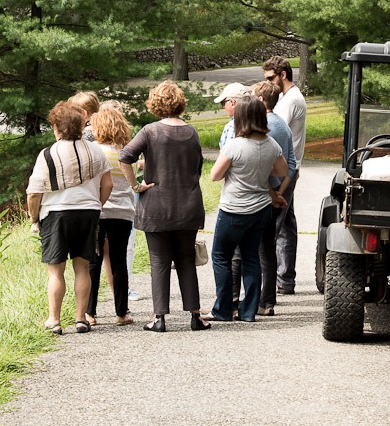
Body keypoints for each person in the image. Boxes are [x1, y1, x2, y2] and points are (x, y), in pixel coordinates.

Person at [122, 81, 208, 332]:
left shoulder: (150, 131)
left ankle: (159, 318)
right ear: (180, 103)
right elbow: (198, 167)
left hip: (157, 205)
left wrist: (136, 186)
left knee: (159, 260)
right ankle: (195, 315)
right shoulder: (192, 132)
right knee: (185, 259)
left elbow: (125, 156)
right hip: (188, 204)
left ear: (155, 104)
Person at [25, 100, 113, 333]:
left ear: (56, 127)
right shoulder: (95, 150)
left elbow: (34, 192)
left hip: (55, 214)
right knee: (82, 267)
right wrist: (97, 205)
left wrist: (34, 218)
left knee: (56, 270)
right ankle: (81, 318)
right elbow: (108, 184)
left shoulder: (47, 154)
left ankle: (54, 320)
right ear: (81, 125)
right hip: (88, 213)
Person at [209, 95, 287, 322]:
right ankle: (249, 311)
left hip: (233, 209)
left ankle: (223, 310)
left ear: (240, 118)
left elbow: (214, 175)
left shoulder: (235, 145)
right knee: (251, 258)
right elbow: (281, 171)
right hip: (261, 208)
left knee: (221, 257)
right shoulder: (271, 144)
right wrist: (261, 171)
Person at [250, 79, 298, 313]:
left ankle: (248, 299)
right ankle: (267, 301)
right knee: (268, 246)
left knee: (251, 249)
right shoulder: (283, 125)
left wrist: (271, 191)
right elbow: (291, 163)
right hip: (276, 191)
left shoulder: (264, 125)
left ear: (260, 100)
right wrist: (281, 190)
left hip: (260, 193)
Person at [88, 103, 138, 325]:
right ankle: (121, 312)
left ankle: (90, 312)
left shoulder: (94, 152)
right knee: (118, 262)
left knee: (93, 262)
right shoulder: (126, 154)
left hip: (97, 211)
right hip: (122, 212)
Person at [262, 56, 307, 297]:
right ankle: (285, 279)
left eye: (271, 78)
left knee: (273, 227)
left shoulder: (290, 100)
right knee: (287, 225)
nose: (269, 83)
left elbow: (273, 130)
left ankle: (272, 284)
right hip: (291, 167)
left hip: (285, 171)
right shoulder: (289, 97)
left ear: (283, 74)